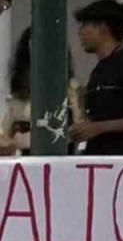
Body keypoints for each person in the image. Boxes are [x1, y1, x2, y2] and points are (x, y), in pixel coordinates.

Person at [71, 0, 123, 155]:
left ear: (103, 27)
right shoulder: (99, 70)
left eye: (85, 25)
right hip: (95, 157)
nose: (80, 32)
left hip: (120, 160)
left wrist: (100, 127)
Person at [0, 28, 83, 156]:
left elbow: (80, 129)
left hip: (62, 159)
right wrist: (13, 142)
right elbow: (5, 134)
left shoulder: (70, 86)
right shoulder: (20, 91)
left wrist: (38, 139)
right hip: (28, 163)